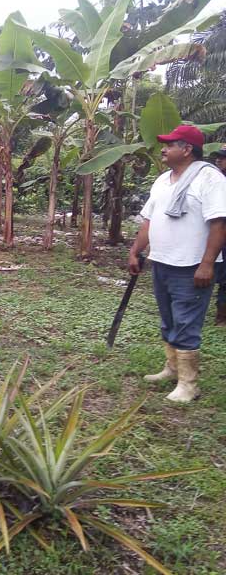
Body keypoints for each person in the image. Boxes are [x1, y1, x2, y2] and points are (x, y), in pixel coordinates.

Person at [128, 125, 226, 403]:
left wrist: (207, 264)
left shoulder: (210, 179)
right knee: (169, 318)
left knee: (186, 322)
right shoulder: (162, 181)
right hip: (162, 262)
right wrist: (136, 250)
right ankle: (172, 368)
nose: (163, 149)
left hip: (192, 265)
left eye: (170, 145)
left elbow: (219, 223)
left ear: (186, 150)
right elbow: (150, 220)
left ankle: (189, 384)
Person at [210, 144, 226, 324]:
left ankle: (222, 315)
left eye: (223, 157)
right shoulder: (214, 181)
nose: (218, 160)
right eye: (218, 156)